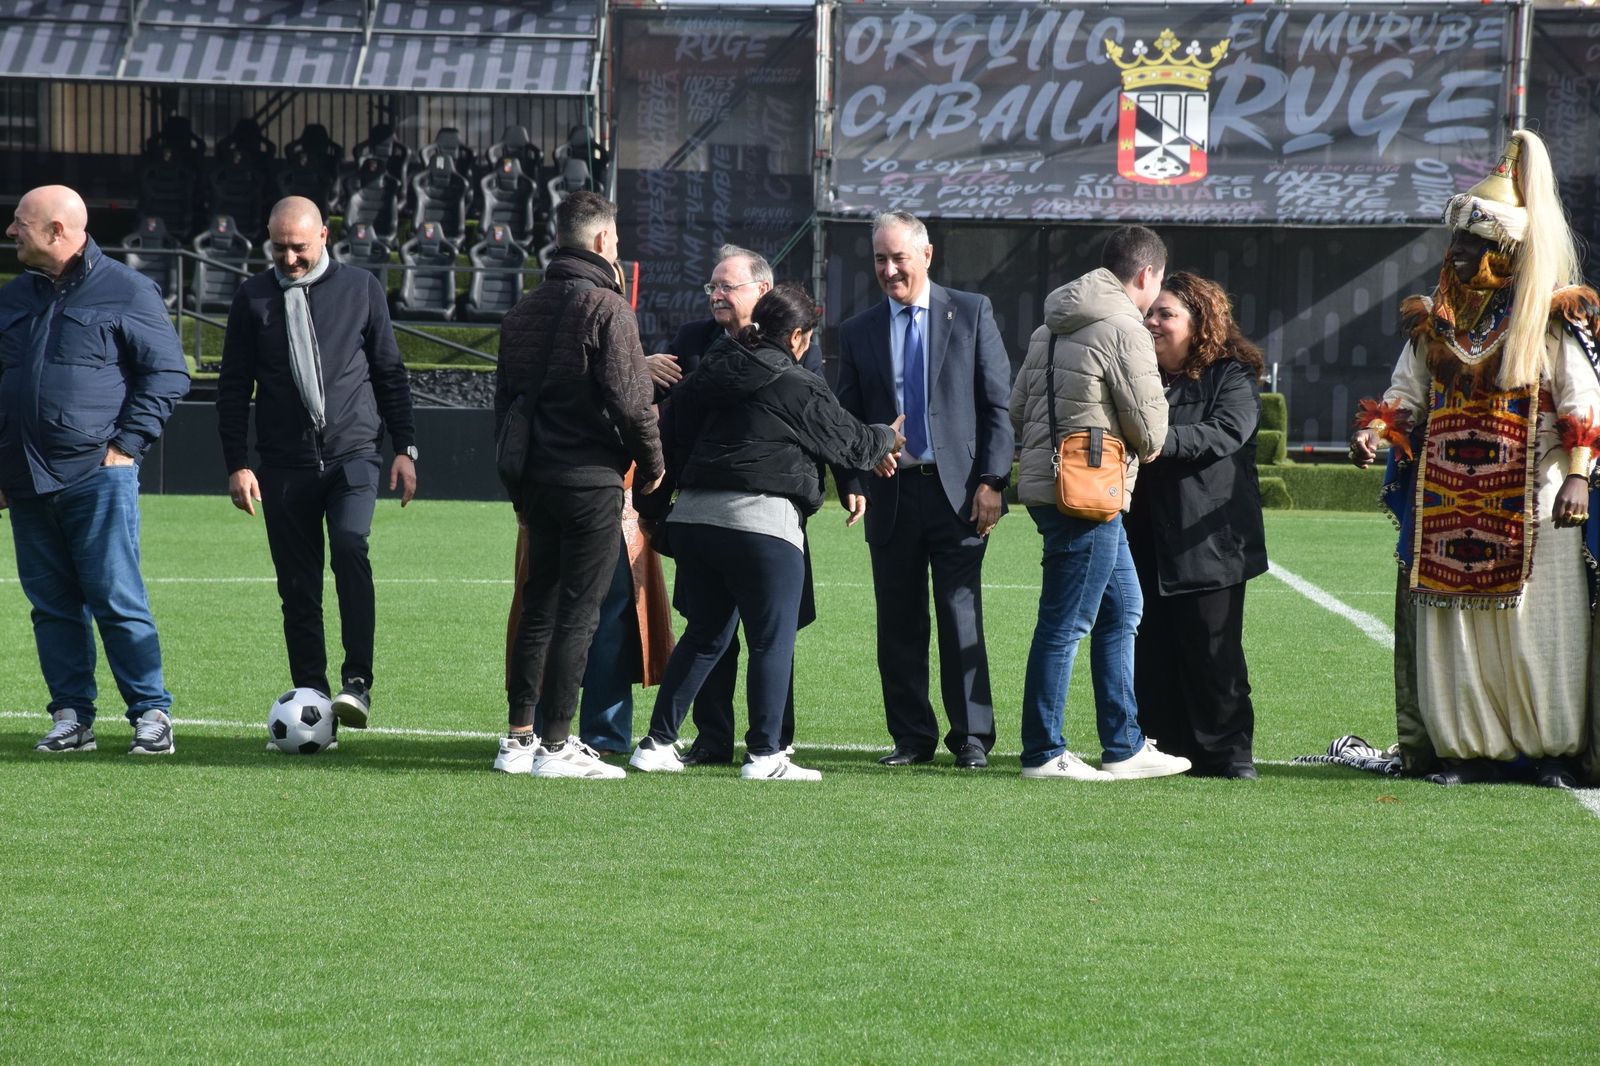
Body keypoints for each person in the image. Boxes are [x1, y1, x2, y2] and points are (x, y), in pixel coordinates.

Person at [1351, 129, 1600, 789]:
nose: (1456, 254)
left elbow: (1583, 404)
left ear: (1507, 253)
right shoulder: (1434, 329)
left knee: (1540, 633)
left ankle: (1551, 750)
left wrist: (1578, 475)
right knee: (1452, 638)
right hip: (1444, 509)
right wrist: (1380, 433)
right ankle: (1466, 752)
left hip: (1538, 510)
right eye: (1456, 242)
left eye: (1472, 244)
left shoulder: (1552, 324)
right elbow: (1405, 399)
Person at [628, 283, 903, 780]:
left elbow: (664, 436)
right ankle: (765, 755)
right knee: (771, 640)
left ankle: (655, 743)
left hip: (692, 519)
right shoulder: (797, 381)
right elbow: (854, 444)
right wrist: (890, 433)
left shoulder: (709, 368)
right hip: (761, 524)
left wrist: (650, 509)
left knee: (706, 634)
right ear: (797, 336)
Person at [0, 184, 190, 755]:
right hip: (26, 478)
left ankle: (152, 715)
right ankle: (71, 717)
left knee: (116, 596)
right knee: (51, 606)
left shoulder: (128, 289)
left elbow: (169, 374)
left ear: (58, 231)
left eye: (20, 223)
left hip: (96, 474)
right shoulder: (13, 297)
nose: (11, 231)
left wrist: (125, 447)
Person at [218, 195, 417, 729]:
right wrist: (237, 463)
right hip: (283, 467)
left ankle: (357, 684)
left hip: (354, 456)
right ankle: (313, 695)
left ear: (324, 236)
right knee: (297, 586)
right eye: (279, 247)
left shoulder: (362, 289)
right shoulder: (251, 297)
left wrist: (405, 447)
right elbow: (234, 387)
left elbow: (389, 372)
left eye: (299, 247)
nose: (288, 259)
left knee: (351, 547)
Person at [1008, 225, 1190, 781]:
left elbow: (1018, 409)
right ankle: (1044, 751)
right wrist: (1143, 441)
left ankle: (1124, 744)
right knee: (1066, 623)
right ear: (1147, 274)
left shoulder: (1049, 325)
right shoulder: (1123, 327)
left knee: (1122, 609)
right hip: (1090, 491)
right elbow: (1149, 424)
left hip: (1049, 484)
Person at [834, 211, 1013, 770]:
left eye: (899, 258)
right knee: (899, 622)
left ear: (926, 256)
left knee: (961, 615)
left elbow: (998, 407)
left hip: (959, 496)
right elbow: (845, 417)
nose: (889, 270)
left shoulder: (972, 311)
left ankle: (972, 738)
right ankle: (912, 738)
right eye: (880, 260)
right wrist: (854, 476)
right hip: (891, 496)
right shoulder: (858, 329)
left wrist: (992, 482)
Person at [493, 190, 663, 780]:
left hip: (535, 479)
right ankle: (558, 743)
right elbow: (632, 401)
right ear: (601, 242)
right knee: (580, 612)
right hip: (590, 481)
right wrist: (654, 463)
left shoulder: (522, 310)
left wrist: (516, 485)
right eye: (615, 240)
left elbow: (504, 408)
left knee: (537, 605)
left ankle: (518, 739)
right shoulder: (606, 307)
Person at [645, 244, 820, 765]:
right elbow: (660, 418)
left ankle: (768, 740)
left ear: (761, 292)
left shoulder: (797, 346)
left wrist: (853, 477)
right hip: (734, 512)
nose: (716, 295)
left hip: (740, 510)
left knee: (745, 631)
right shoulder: (691, 343)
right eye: (712, 286)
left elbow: (822, 417)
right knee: (731, 631)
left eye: (727, 285)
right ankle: (725, 742)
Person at [1126, 271, 1268, 779]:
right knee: (1151, 651)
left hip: (1211, 542)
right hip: (1143, 539)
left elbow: (1226, 431)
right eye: (1150, 312)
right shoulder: (1137, 373)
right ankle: (1163, 751)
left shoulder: (1230, 374)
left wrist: (1156, 441)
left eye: (1166, 314)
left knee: (1214, 656)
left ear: (1199, 322)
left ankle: (1229, 757)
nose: (1153, 322)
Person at [505, 466, 674, 755]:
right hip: (608, 495)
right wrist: (655, 465)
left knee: (545, 615)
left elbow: (511, 437)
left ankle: (536, 730)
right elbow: (638, 423)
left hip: (550, 492)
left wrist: (520, 495)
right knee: (605, 622)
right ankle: (599, 735)